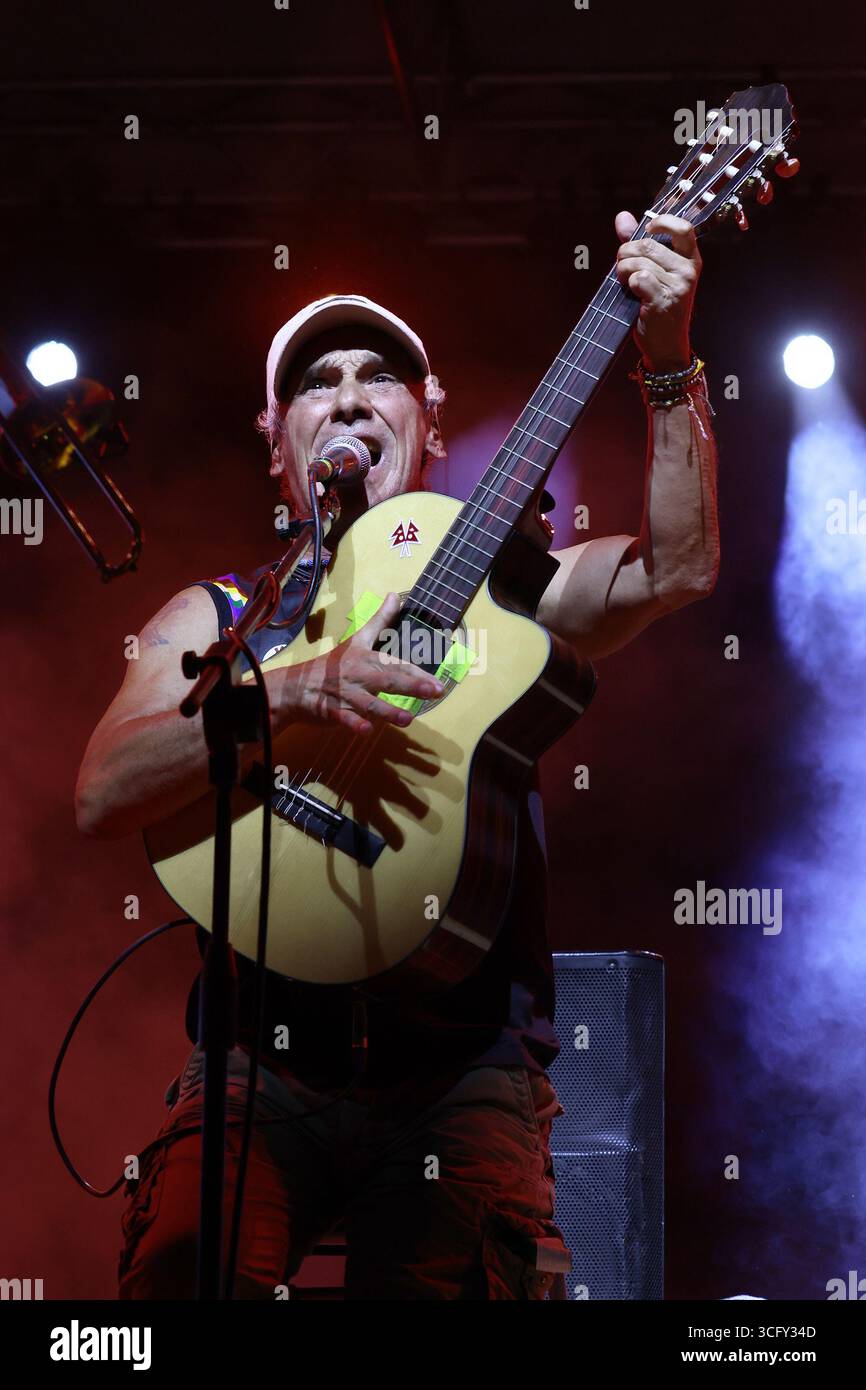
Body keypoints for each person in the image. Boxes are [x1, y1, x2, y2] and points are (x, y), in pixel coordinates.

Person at [75, 211, 719, 1299]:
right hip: (253, 1068)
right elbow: (101, 790)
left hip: (461, 1069)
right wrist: (293, 690)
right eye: (316, 381)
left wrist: (665, 359)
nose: (347, 395)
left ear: (427, 424)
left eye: (379, 376)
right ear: (276, 439)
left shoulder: (511, 587)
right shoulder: (220, 616)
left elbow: (674, 569)